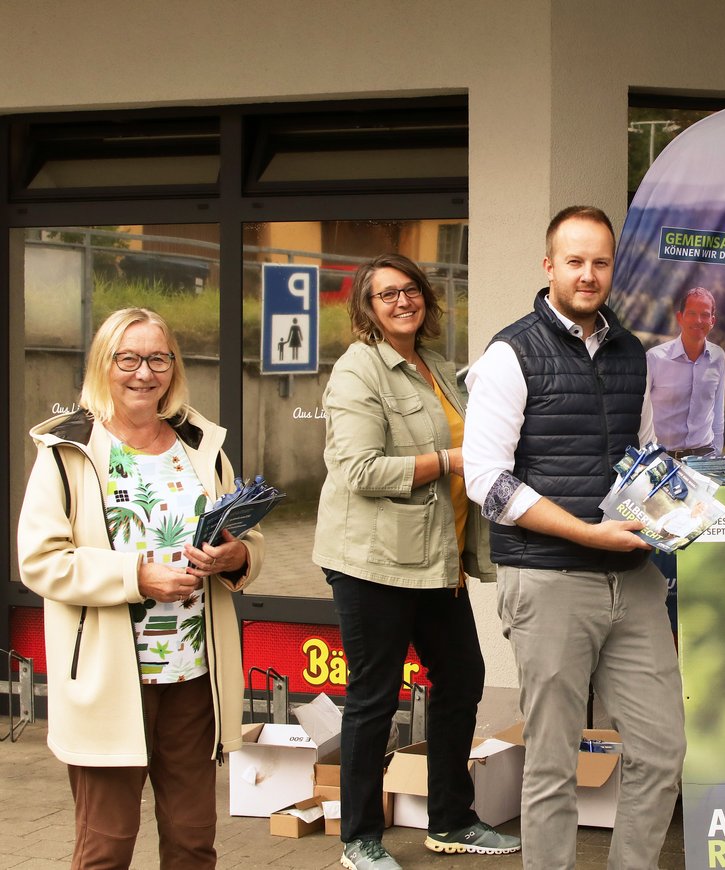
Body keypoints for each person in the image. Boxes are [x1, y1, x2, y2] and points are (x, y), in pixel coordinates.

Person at [463, 205, 686, 868]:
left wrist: (677, 511)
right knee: (553, 762)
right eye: (575, 261)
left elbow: (644, 453)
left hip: (633, 579)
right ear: (549, 266)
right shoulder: (510, 354)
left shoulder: (631, 352)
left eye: (601, 262)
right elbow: (487, 482)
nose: (588, 275)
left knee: (661, 750)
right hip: (548, 579)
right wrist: (589, 534)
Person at [17, 307, 264, 869]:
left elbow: (245, 536)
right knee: (106, 849)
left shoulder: (201, 446)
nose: (144, 373)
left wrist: (239, 555)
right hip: (110, 682)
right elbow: (41, 562)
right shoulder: (67, 451)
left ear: (173, 367)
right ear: (102, 365)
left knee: (193, 843)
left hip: (193, 676)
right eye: (127, 359)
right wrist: (136, 577)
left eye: (158, 359)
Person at [312, 253, 518, 870]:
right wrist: (450, 461)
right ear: (367, 308)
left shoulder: (437, 365)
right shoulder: (358, 370)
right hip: (371, 560)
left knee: (462, 678)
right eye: (387, 294)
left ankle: (450, 820)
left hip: (436, 556)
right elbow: (358, 469)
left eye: (411, 290)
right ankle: (360, 840)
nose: (403, 301)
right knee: (374, 698)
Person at [647, 286, 725, 457]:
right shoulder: (654, 358)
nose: (698, 320)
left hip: (705, 458)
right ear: (680, 318)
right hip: (663, 459)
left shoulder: (718, 357)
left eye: (705, 315)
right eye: (691, 313)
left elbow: (718, 411)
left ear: (712, 320)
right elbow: (641, 412)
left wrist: (717, 454)